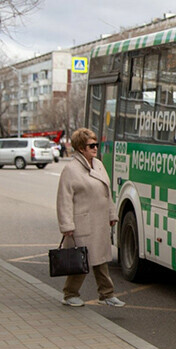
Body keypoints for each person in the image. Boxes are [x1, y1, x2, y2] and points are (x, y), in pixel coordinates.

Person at [56, 128, 124, 307]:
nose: (95, 148)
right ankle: (70, 294)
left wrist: (112, 213)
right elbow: (64, 199)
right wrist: (66, 225)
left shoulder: (98, 164)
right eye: (91, 145)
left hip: (99, 222)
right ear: (80, 148)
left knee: (100, 259)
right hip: (82, 223)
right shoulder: (71, 170)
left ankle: (107, 294)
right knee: (81, 260)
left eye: (96, 144)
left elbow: (106, 192)